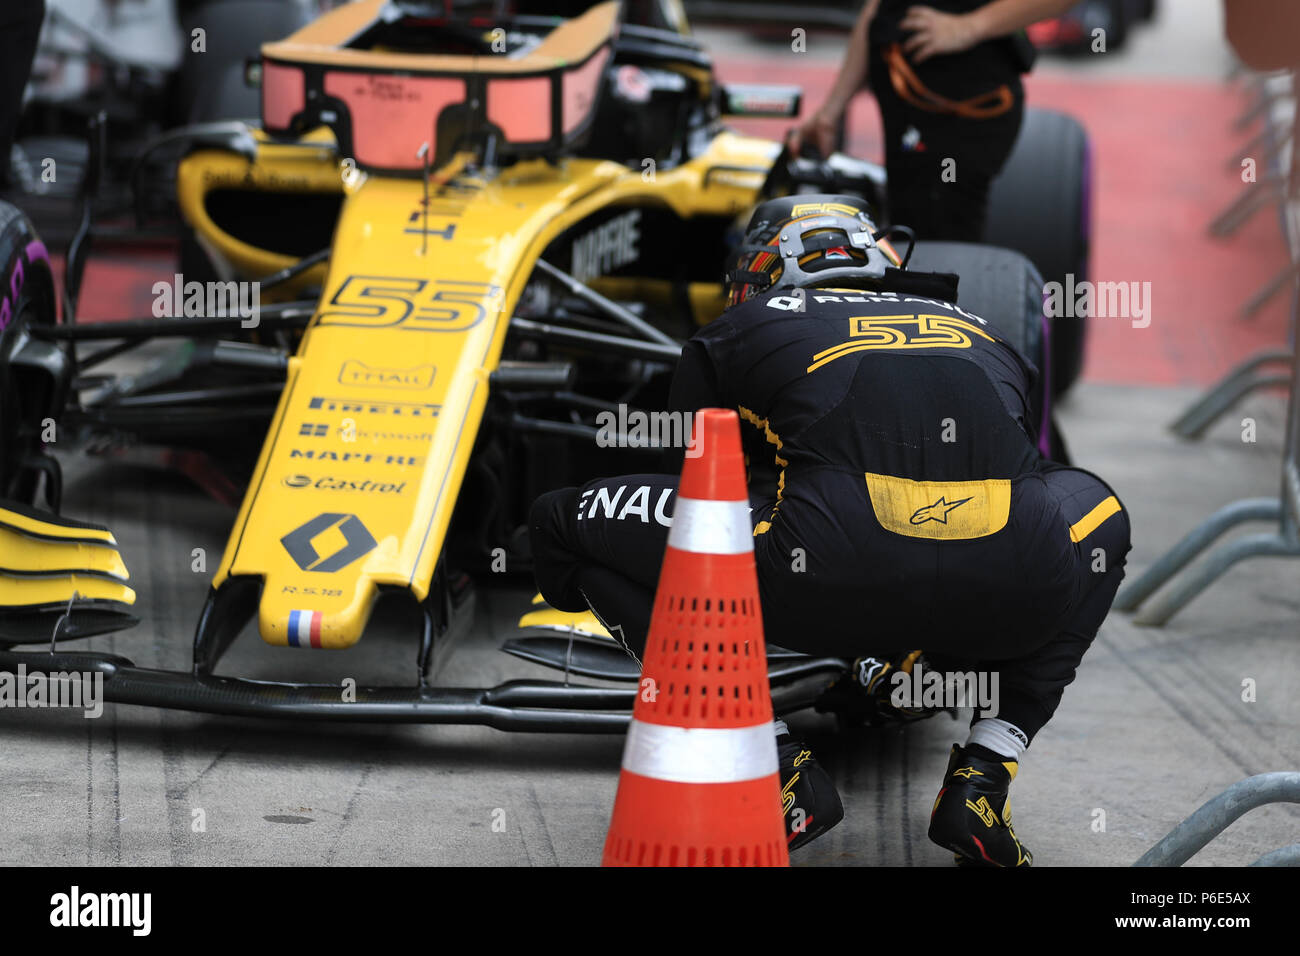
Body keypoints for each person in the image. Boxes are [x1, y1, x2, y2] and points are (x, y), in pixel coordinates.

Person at [529, 194, 1131, 865]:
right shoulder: (983, 328)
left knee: (561, 522)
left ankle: (776, 763)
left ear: (772, 266)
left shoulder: (746, 322)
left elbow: (694, 482)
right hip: (1009, 587)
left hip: (817, 580)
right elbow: (1029, 466)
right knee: (1098, 510)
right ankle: (983, 775)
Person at [788, 0, 1077, 242]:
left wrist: (970, 26)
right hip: (906, 108)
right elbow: (879, 7)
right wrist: (830, 112)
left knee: (938, 254)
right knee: (909, 238)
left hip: (960, 106)